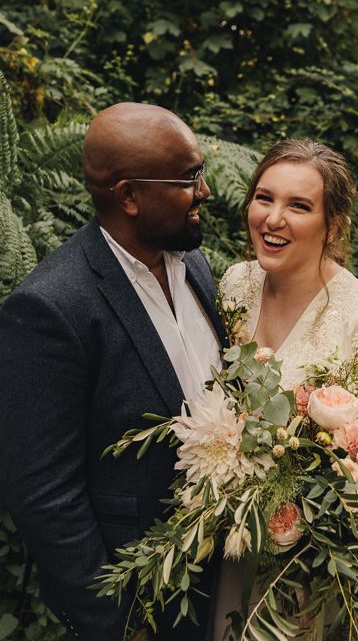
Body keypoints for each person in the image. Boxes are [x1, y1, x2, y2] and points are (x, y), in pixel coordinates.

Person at [0, 103, 226, 640]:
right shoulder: (50, 308)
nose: (205, 191)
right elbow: (42, 493)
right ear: (129, 195)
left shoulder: (193, 263)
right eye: (188, 178)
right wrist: (116, 624)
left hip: (226, 582)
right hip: (142, 604)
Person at [213, 138, 358, 638]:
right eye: (265, 197)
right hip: (222, 546)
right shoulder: (234, 286)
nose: (273, 218)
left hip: (309, 572)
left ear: (334, 224)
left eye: (299, 206)